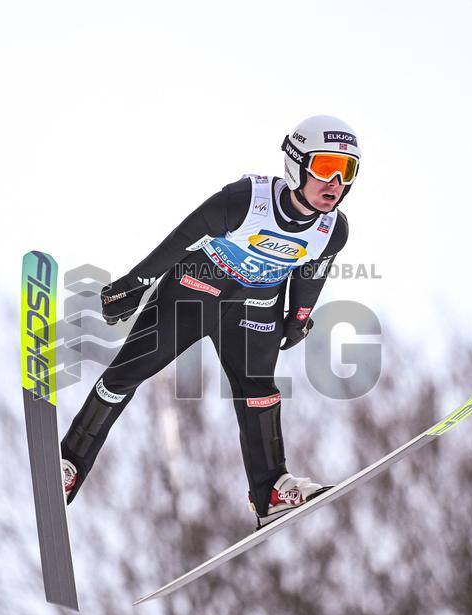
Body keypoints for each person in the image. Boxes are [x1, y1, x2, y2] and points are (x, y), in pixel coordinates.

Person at [60, 115, 360, 527]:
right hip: (195, 292)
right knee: (126, 375)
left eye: (348, 171)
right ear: (296, 163)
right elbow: (179, 240)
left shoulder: (333, 230)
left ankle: (270, 490)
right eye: (326, 168)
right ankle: (69, 462)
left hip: (256, 305)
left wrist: (299, 318)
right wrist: (133, 285)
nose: (336, 183)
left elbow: (312, 274)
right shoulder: (243, 201)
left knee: (259, 390)